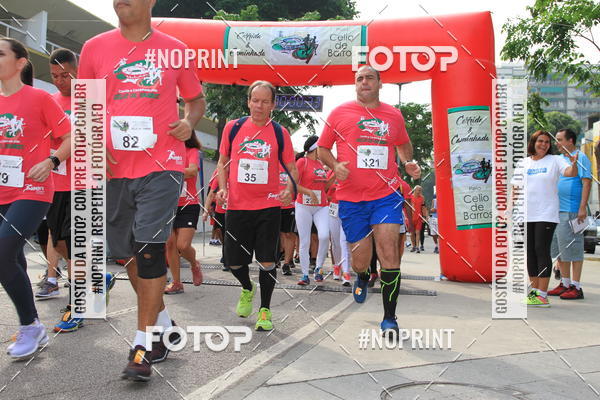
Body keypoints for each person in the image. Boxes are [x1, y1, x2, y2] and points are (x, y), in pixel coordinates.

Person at [78, 0, 206, 381]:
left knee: (149, 249)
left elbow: (196, 100)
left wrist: (189, 122)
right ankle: (163, 325)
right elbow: (85, 106)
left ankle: (141, 346)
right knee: (126, 253)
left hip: (162, 164)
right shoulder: (94, 48)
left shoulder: (175, 50)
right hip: (114, 168)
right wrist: (93, 142)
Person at [318, 65, 420, 335]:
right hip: (351, 199)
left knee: (389, 253)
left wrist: (407, 162)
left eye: (370, 78)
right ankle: (363, 276)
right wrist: (335, 165)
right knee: (360, 261)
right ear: (355, 84)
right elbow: (322, 149)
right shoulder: (339, 113)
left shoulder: (393, 115)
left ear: (380, 83)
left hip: (385, 195)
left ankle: (390, 318)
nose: (364, 82)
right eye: (359, 79)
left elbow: (403, 144)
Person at [0, 38, 71, 358]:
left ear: (20, 63)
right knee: (10, 258)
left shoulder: (39, 98)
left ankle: (30, 326)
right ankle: (32, 326)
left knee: (2, 252)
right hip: (3, 190)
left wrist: (52, 161)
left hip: (33, 189)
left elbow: (70, 136)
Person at [216, 80, 297, 332]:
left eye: (265, 101)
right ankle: (247, 287)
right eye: (255, 100)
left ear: (273, 105)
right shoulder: (233, 128)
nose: (259, 106)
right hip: (237, 206)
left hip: (268, 206)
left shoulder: (280, 133)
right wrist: (222, 188)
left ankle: (265, 310)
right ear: (248, 101)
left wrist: (289, 189)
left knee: (267, 261)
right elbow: (222, 162)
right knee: (234, 262)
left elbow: (292, 167)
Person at [512, 131, 578, 307]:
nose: (544, 144)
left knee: (541, 250)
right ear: (533, 142)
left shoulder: (555, 160)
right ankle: (534, 292)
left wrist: (574, 164)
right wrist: (509, 210)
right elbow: (515, 189)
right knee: (530, 252)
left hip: (546, 214)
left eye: (547, 142)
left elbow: (570, 172)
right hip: (525, 213)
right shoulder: (523, 163)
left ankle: (542, 294)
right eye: (540, 141)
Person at [548, 128, 591, 300]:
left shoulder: (581, 157)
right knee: (560, 250)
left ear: (570, 141)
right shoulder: (559, 159)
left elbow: (586, 183)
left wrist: (582, 208)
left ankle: (576, 286)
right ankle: (564, 283)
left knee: (574, 248)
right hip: (556, 211)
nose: (556, 143)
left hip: (573, 210)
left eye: (560, 139)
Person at [164, 134, 203, 294]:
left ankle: (194, 264)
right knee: (170, 244)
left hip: (188, 204)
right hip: (168, 204)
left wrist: (168, 171)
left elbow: (192, 171)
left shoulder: (191, 151)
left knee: (183, 245)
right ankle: (176, 282)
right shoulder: (164, 150)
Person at [295, 136, 330, 285]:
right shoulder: (302, 162)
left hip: (321, 206)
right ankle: (304, 274)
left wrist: (335, 175)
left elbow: (324, 187)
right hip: (303, 206)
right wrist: (308, 192)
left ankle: (318, 268)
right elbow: (294, 184)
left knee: (324, 236)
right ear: (316, 148)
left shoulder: (321, 165)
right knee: (305, 241)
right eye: (321, 148)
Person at [327, 168, 352, 286]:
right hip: (333, 208)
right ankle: (337, 266)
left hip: (348, 208)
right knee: (335, 241)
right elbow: (325, 191)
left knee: (344, 242)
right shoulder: (331, 173)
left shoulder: (352, 170)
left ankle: (346, 272)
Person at [279, 165, 297, 275]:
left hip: (290, 205)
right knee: (275, 234)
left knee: (289, 234)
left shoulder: (294, 167)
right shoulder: (271, 163)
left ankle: (286, 263)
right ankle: (274, 257)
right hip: (273, 204)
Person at [410, 185, 425, 253]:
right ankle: (413, 246)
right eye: (418, 190)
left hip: (419, 217)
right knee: (412, 233)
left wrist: (424, 217)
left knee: (418, 232)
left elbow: (423, 207)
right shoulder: (410, 197)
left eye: (420, 190)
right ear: (414, 190)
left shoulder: (422, 198)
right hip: (411, 217)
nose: (419, 192)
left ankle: (417, 247)